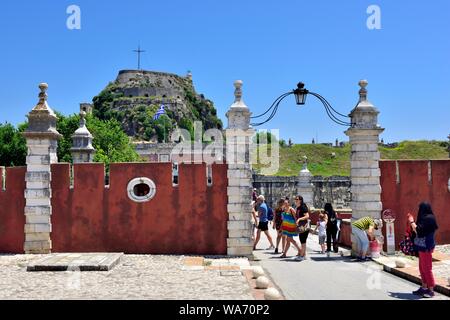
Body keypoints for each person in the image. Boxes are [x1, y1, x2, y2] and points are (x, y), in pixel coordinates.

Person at [408, 202, 439, 298]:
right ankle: (424, 287)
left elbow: (418, 230)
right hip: (422, 246)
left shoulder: (429, 219)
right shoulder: (425, 218)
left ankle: (431, 290)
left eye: (420, 208)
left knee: (427, 268)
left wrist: (412, 222)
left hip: (426, 246)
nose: (419, 211)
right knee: (422, 268)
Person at [295, 195, 310, 260]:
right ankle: (304, 255)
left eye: (297, 199)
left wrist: (299, 219)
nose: (295, 200)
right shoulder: (298, 208)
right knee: (302, 241)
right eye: (295, 199)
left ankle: (302, 256)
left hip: (304, 226)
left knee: (303, 241)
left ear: (300, 200)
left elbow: (307, 216)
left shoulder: (303, 207)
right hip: (301, 226)